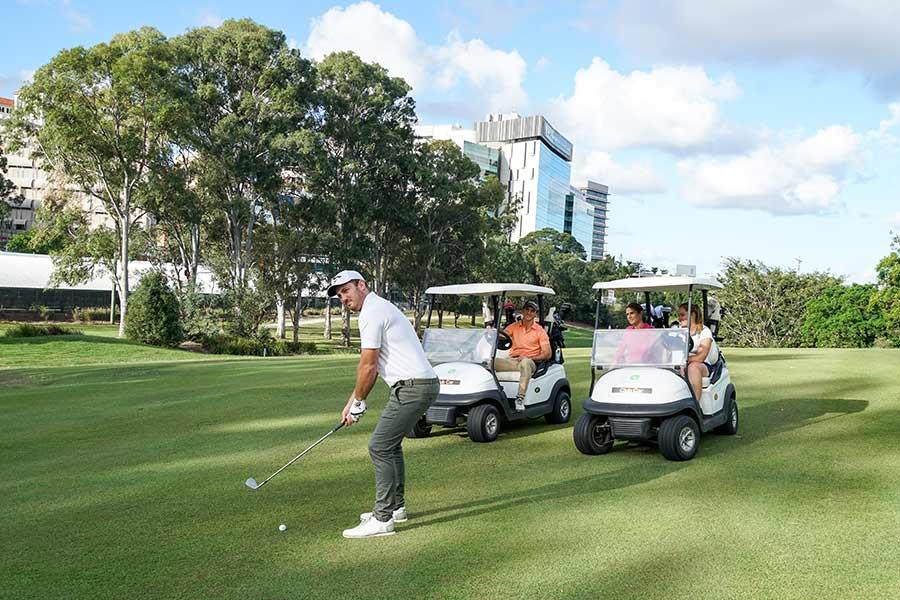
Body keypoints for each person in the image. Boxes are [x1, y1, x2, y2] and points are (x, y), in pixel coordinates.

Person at [328, 270, 439, 539]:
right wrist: (352, 401)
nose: (343, 298)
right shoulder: (377, 307)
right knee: (390, 446)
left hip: (414, 387)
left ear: (362, 285)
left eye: (346, 290)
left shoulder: (372, 312)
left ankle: (383, 519)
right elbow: (370, 367)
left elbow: (369, 365)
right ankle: (396, 507)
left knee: (379, 446)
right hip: (415, 385)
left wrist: (360, 402)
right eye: (339, 294)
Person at [493, 299, 551, 412]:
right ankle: (492, 395)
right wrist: (492, 332)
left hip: (531, 362)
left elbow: (547, 353)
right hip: (513, 361)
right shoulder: (514, 326)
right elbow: (503, 336)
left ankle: (520, 398)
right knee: (489, 362)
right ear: (523, 311)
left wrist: (528, 358)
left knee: (525, 363)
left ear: (535, 314)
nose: (529, 313)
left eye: (532, 311)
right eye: (527, 309)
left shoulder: (540, 331)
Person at [677, 302, 720, 402]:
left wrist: (684, 361)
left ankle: (695, 405)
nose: (679, 318)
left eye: (682, 315)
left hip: (702, 365)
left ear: (692, 315)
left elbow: (701, 357)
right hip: (681, 363)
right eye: (679, 315)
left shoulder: (704, 331)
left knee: (693, 368)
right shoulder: (678, 331)